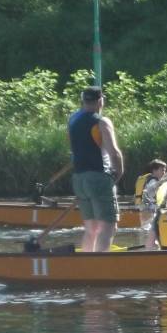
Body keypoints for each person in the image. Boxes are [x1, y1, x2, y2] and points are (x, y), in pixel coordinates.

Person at [68, 86, 125, 252]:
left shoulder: (72, 120)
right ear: (100, 101)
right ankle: (100, 265)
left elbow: (74, 148)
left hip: (79, 178)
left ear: (83, 100)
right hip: (98, 177)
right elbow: (114, 153)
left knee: (91, 229)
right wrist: (119, 173)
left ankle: (87, 263)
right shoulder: (101, 121)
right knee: (108, 226)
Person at [136, 159, 167, 250]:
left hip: (148, 209)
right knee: (148, 232)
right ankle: (148, 250)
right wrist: (162, 182)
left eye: (164, 170)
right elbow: (150, 189)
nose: (164, 172)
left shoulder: (151, 179)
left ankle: (146, 248)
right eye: (162, 170)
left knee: (148, 232)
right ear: (154, 170)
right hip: (147, 210)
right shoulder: (153, 181)